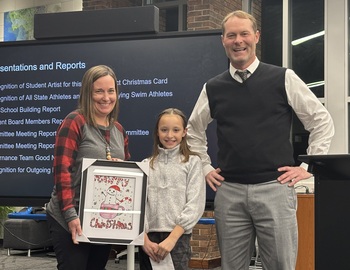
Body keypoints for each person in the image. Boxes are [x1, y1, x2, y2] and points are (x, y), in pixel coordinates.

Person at [186, 10, 334, 270]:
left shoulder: (283, 78)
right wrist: (205, 167)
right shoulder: (213, 87)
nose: (238, 40)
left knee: (280, 265)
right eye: (231, 35)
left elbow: (321, 120)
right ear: (223, 40)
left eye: (244, 34)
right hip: (229, 193)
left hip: (275, 189)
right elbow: (193, 131)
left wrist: (306, 168)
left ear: (256, 36)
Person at [46, 65, 130, 270]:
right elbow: (61, 173)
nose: (106, 97)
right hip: (69, 219)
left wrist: (121, 170)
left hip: (100, 220)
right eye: (99, 91)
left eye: (111, 91)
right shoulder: (74, 122)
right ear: (87, 93)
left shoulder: (119, 129)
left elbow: (127, 178)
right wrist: (71, 216)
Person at [139, 108, 206, 270]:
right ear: (157, 132)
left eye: (176, 130)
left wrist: (172, 239)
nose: (169, 135)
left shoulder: (193, 162)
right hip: (149, 240)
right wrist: (144, 240)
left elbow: (195, 204)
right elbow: (139, 206)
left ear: (184, 132)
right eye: (164, 130)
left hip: (178, 238)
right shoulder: (146, 165)